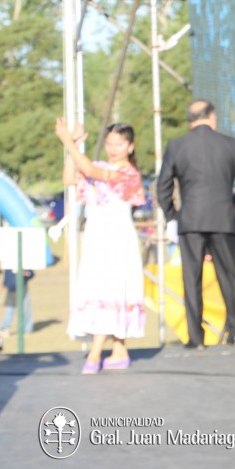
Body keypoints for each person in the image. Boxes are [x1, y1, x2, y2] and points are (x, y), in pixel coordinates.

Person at [157, 100, 235, 348]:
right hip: (222, 217)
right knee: (228, 276)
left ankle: (196, 337)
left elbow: (163, 187)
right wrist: (234, 203)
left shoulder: (177, 145)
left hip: (190, 219)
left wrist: (173, 215)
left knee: (191, 278)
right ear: (211, 117)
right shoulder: (230, 144)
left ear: (191, 119)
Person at [56, 119, 146, 374]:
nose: (113, 148)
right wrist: (71, 145)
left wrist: (67, 143)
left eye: (119, 144)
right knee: (99, 290)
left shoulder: (128, 173)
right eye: (109, 143)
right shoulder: (100, 166)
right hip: (96, 238)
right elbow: (69, 177)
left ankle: (95, 354)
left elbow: (92, 172)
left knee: (113, 289)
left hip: (117, 240)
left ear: (130, 146)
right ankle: (119, 349)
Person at [0, 269, 34, 347]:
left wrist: (26, 273)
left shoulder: (24, 261)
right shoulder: (9, 265)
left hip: (23, 290)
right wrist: (5, 283)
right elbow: (7, 275)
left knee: (26, 310)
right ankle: (5, 328)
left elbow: (31, 273)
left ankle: (27, 329)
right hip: (11, 290)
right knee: (9, 310)